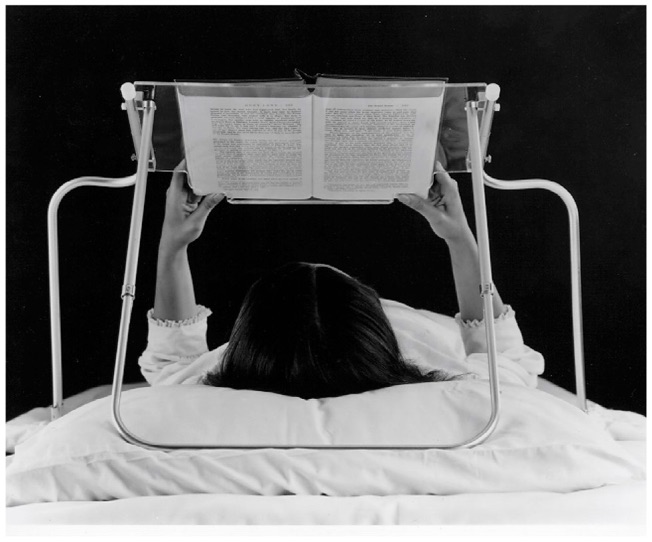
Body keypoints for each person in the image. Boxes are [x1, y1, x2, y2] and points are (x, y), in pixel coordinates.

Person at [139, 161, 544, 396]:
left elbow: (171, 362)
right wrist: (459, 236)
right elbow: (505, 358)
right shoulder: (453, 381)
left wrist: (173, 245)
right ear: (381, 329)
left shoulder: (212, 380)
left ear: (247, 340)